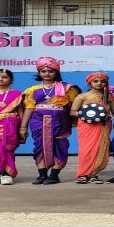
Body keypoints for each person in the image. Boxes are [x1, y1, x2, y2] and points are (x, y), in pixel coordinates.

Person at [20, 57, 80, 185]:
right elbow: (29, 108)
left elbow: (75, 106)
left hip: (60, 121)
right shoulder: (32, 90)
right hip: (38, 122)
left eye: (51, 71)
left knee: (60, 146)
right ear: (39, 73)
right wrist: (23, 127)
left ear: (56, 72)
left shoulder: (67, 88)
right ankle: (42, 174)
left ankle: (54, 175)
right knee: (39, 146)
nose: (47, 73)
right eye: (43, 71)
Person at [71, 72, 114, 184]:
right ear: (90, 83)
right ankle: (82, 175)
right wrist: (88, 115)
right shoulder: (82, 96)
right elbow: (73, 112)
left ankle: (93, 174)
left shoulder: (109, 97)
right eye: (95, 81)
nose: (99, 83)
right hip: (87, 126)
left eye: (102, 81)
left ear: (106, 83)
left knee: (101, 149)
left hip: (104, 126)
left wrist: (108, 116)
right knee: (86, 150)